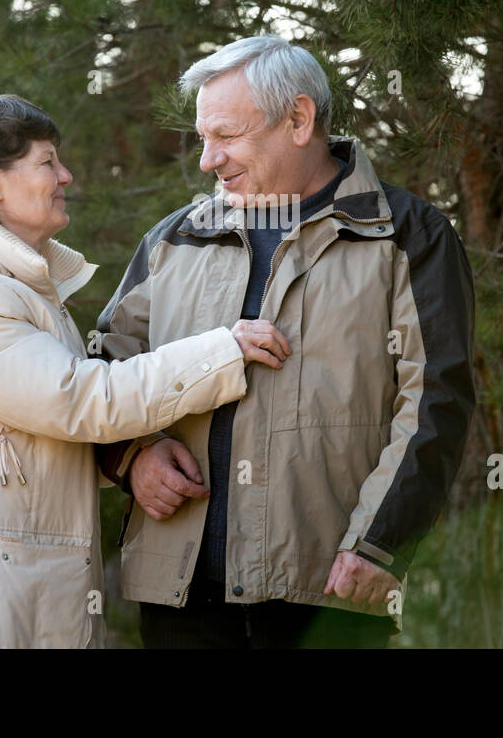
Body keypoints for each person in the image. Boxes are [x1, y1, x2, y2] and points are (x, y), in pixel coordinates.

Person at [0, 94, 290, 648]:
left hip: (16, 604)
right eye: (46, 162)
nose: (66, 175)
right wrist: (221, 351)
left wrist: (136, 454)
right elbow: (82, 401)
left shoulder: (15, 294)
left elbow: (53, 437)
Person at [94, 37, 476, 648]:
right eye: (202, 138)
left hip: (329, 592)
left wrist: (379, 544)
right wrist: (133, 455)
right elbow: (101, 371)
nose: (206, 160)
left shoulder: (409, 236)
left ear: (298, 120)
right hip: (178, 599)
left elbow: (436, 401)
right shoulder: (172, 241)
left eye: (226, 136)